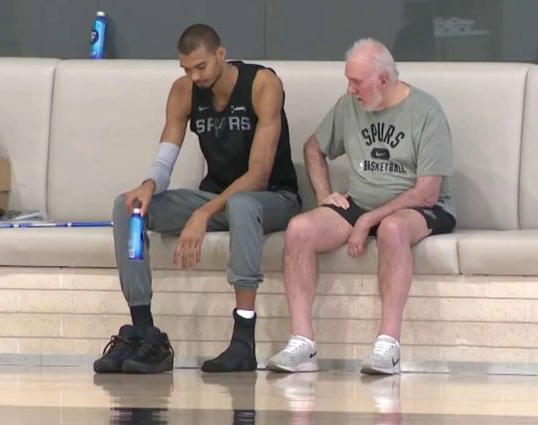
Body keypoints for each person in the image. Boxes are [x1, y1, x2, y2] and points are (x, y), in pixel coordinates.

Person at [93, 23, 300, 374]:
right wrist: (149, 185)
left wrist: (203, 213)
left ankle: (243, 341)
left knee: (242, 204)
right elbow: (165, 160)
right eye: (187, 69)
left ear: (221, 54)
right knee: (128, 207)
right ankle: (145, 333)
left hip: (273, 198)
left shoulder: (263, 84)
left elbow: (258, 175)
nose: (195, 76)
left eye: (201, 66)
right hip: (217, 199)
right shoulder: (183, 91)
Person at [267, 38, 456, 375]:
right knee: (299, 230)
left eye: (356, 82)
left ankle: (388, 346)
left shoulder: (427, 112)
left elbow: (427, 192)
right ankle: (302, 342)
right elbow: (313, 148)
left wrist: (369, 220)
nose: (349, 89)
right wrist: (325, 195)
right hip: (360, 202)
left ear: (383, 80)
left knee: (392, 229)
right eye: (348, 81)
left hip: (420, 206)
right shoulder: (348, 106)